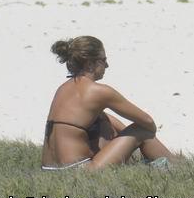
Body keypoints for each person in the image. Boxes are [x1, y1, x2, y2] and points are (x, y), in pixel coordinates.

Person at [41, 35, 176, 170]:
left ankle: (154, 165)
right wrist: (133, 140)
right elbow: (148, 122)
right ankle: (178, 168)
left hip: (49, 170)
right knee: (141, 131)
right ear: (90, 64)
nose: (107, 65)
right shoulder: (99, 91)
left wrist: (124, 140)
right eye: (103, 60)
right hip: (79, 170)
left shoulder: (62, 89)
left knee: (103, 120)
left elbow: (103, 118)